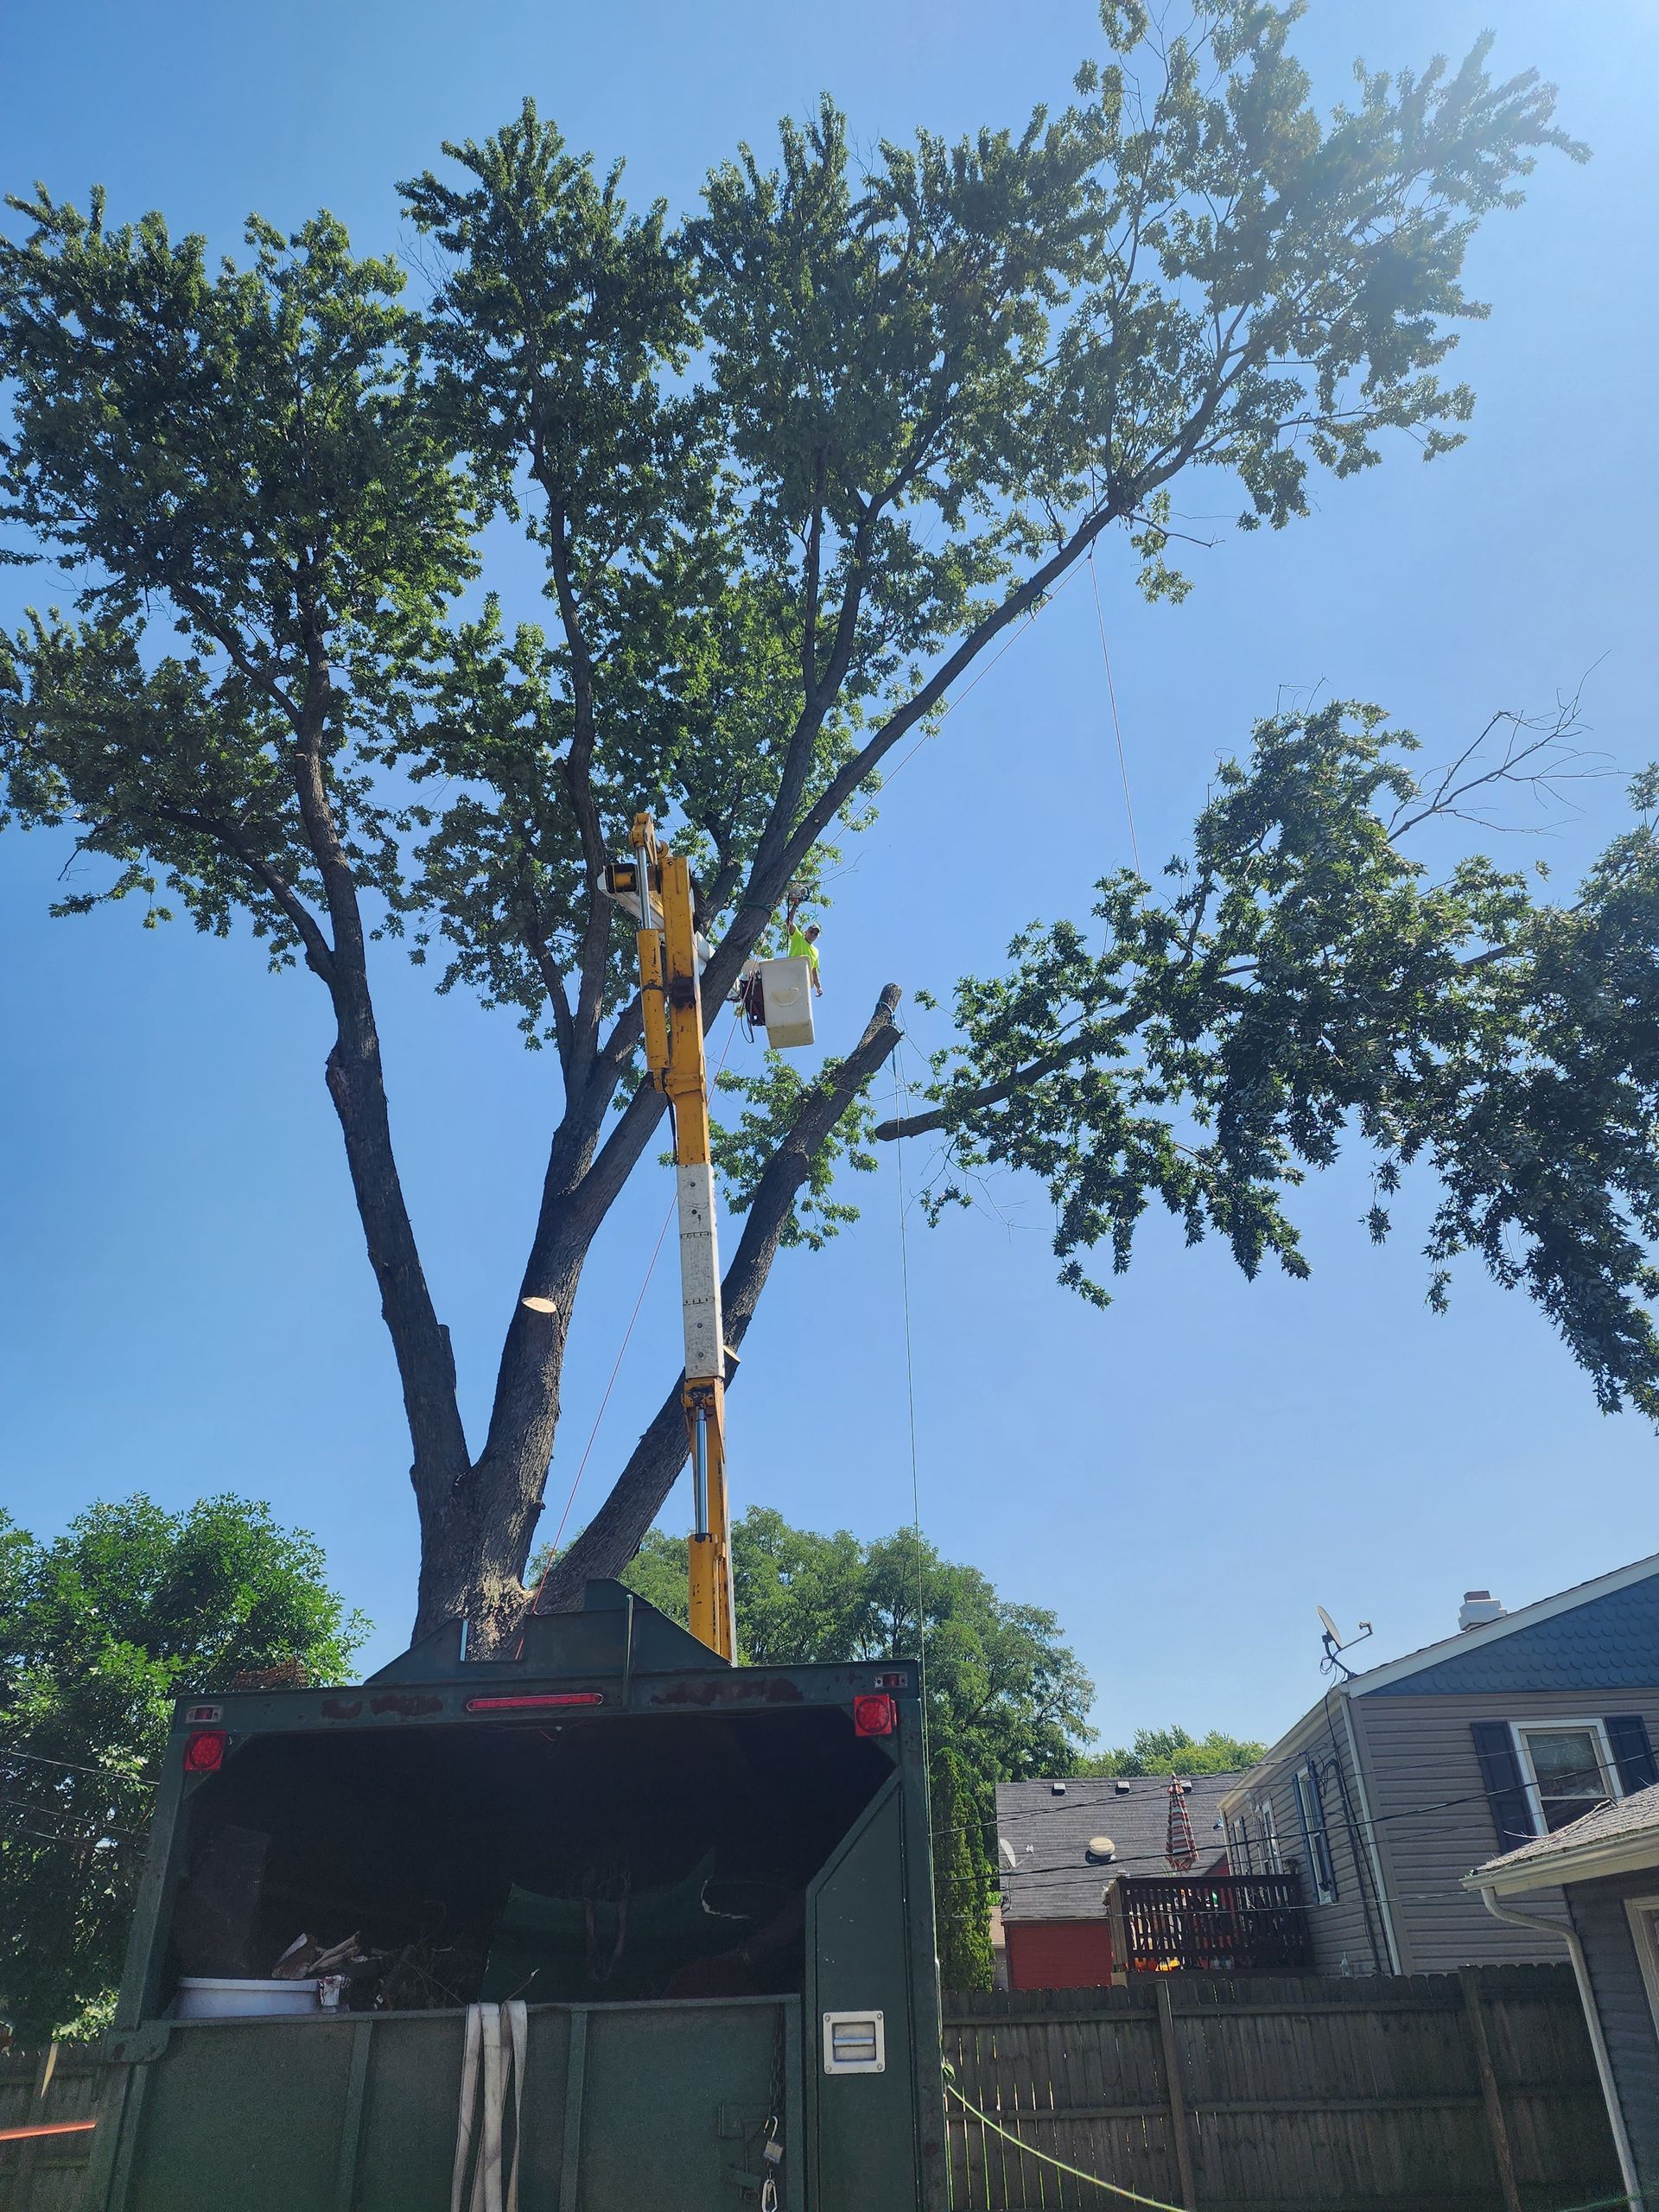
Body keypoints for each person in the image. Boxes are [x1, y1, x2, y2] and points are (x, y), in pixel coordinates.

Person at [787, 920, 823, 995]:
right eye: (811, 932)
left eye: (815, 934)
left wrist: (819, 988)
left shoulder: (816, 951)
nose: (813, 934)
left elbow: (814, 972)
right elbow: (789, 922)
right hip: (790, 973)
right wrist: (794, 907)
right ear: (806, 932)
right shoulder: (798, 938)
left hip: (802, 982)